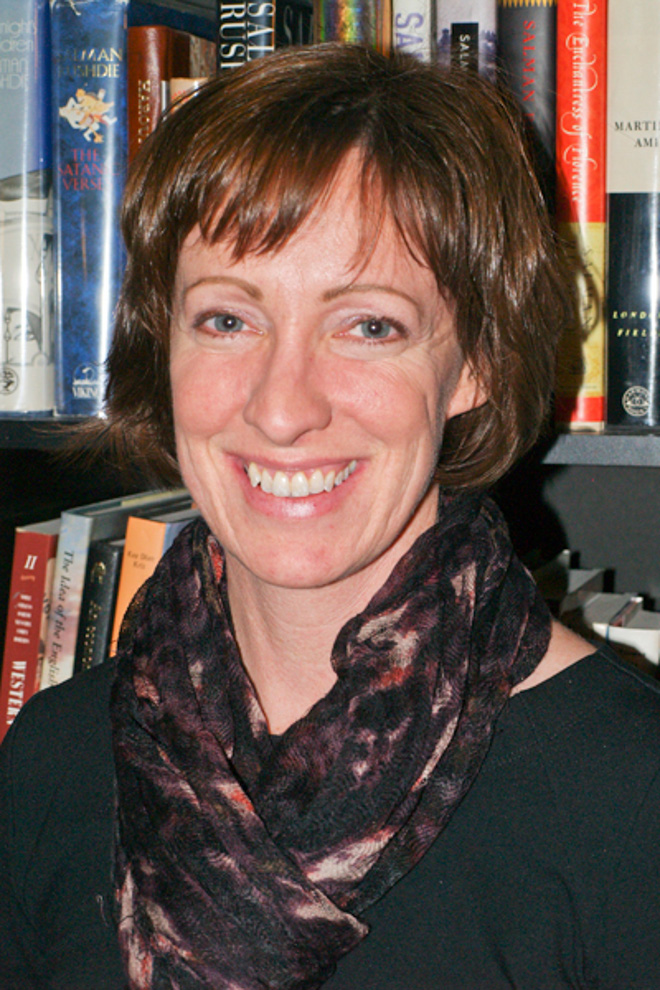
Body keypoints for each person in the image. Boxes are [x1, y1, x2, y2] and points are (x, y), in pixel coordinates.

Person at [1, 43, 659, 990]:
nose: (283, 408)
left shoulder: (629, 798)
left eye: (368, 325)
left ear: (474, 362)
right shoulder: (51, 764)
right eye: (228, 319)